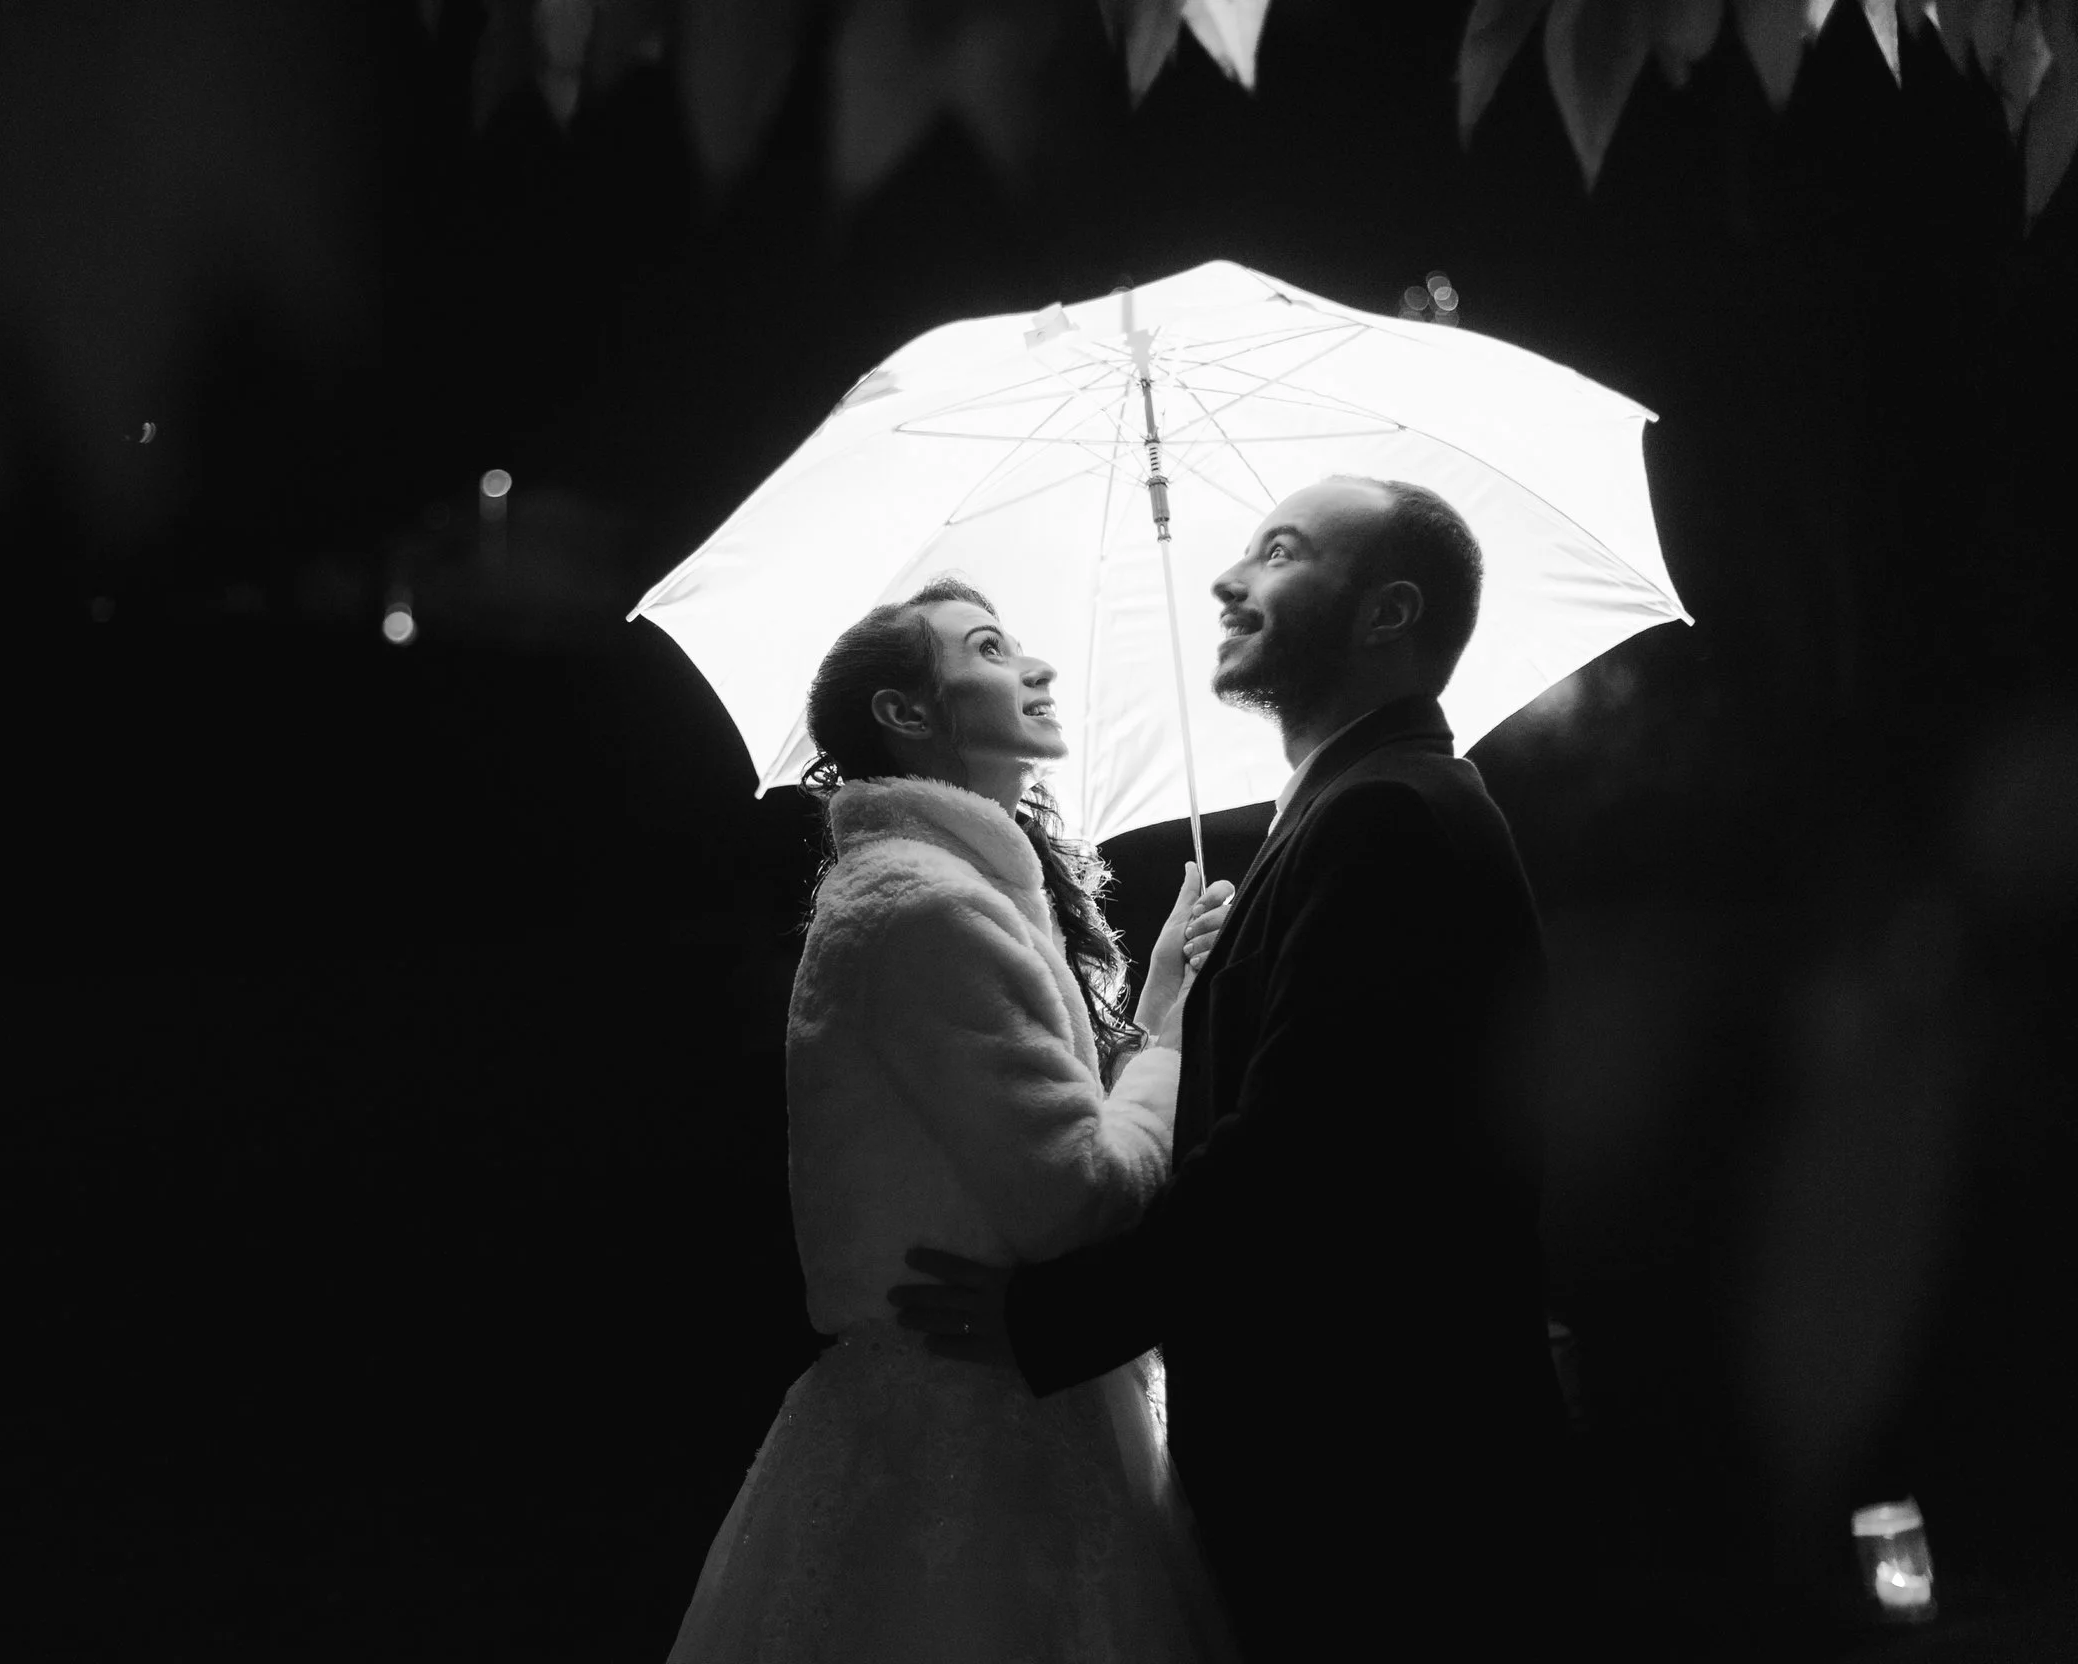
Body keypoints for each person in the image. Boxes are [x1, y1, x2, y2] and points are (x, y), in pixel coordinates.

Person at [891, 479, 1567, 1657]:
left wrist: (1053, 1318)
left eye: (1280, 553)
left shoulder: (1387, 818)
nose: (1225, 578)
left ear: (1386, 612)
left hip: (1381, 1495)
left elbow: (1291, 1163)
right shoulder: (1344, 815)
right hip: (1355, 1482)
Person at [665, 577, 1241, 1663]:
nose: (1037, 666)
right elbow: (1081, 1194)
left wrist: (1159, 996)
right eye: (988, 648)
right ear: (906, 710)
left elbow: (1035, 1142)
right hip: (971, 1442)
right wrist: (1169, 1044)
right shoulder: (924, 907)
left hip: (994, 1402)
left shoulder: (941, 891)